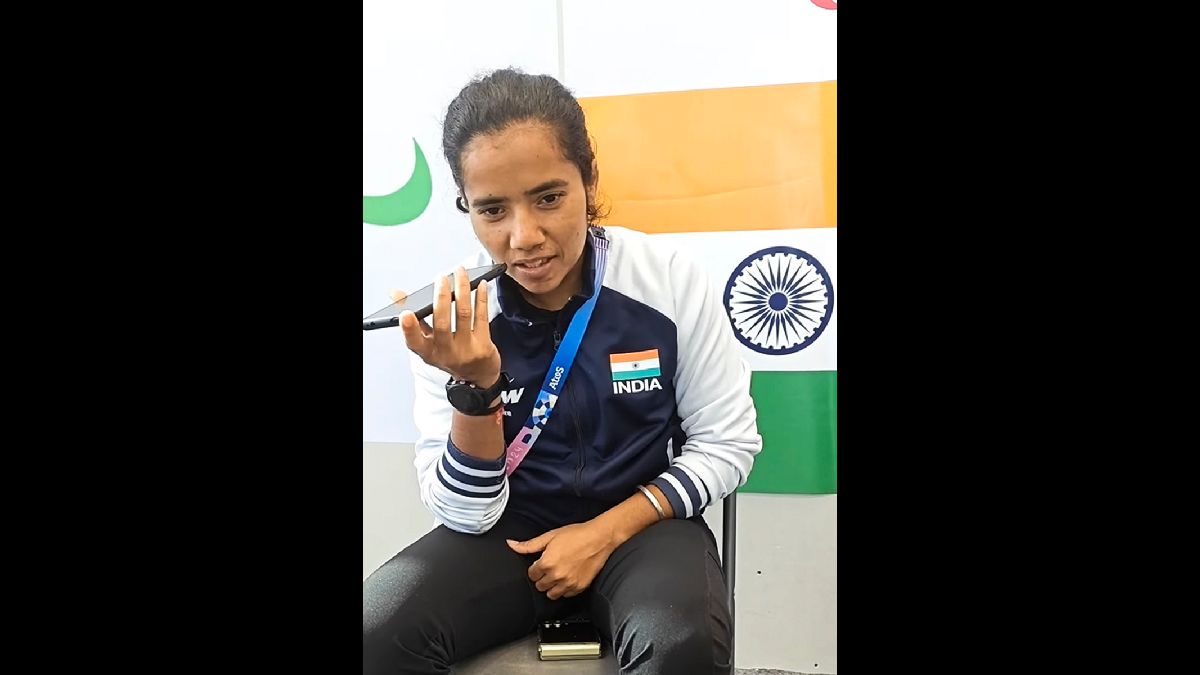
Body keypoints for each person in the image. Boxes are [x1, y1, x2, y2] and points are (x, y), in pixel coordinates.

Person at [363, 68, 762, 675]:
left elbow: (727, 444)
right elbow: (467, 515)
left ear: (588, 179)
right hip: (510, 532)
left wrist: (602, 533)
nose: (524, 236)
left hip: (645, 525)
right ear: (467, 207)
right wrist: (477, 389)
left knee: (682, 648)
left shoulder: (668, 279)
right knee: (375, 634)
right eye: (493, 209)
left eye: (549, 198)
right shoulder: (455, 319)